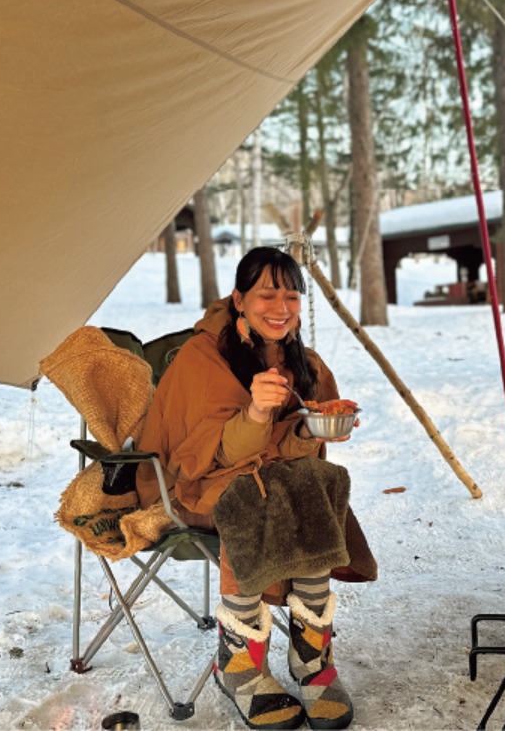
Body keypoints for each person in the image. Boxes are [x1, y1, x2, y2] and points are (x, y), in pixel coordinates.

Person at [135, 247, 374, 731]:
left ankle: (312, 660)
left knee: (319, 483)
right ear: (239, 299)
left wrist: (309, 432)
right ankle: (239, 663)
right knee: (257, 495)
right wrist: (256, 414)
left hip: (274, 482)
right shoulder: (201, 358)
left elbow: (289, 453)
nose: (281, 307)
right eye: (267, 294)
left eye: (291, 295)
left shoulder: (303, 361)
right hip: (199, 486)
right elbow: (204, 456)